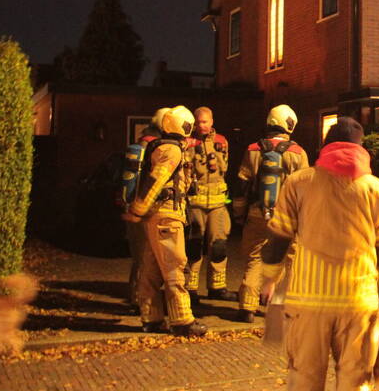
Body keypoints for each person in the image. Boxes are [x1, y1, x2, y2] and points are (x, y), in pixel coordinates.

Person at [259, 116, 379, 391]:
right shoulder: (377, 189)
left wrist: (269, 279)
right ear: (362, 148)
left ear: (324, 147)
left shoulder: (298, 182)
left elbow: (278, 239)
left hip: (306, 303)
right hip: (358, 304)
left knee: (303, 384)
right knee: (356, 387)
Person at [128, 105, 207, 337]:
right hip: (167, 218)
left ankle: (151, 318)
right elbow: (157, 180)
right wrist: (138, 209)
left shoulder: (162, 146)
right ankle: (183, 320)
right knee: (175, 267)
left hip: (156, 217)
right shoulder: (171, 150)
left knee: (151, 270)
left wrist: (140, 212)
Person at [233, 104, 307, 323]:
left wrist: (239, 213)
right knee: (289, 261)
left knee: (254, 258)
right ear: (290, 124)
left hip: (257, 213)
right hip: (287, 217)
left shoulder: (253, 149)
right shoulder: (297, 153)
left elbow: (241, 184)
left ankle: (246, 307)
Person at [183, 106, 234, 305]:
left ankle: (217, 287)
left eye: (205, 122)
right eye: (198, 122)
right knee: (194, 246)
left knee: (219, 245)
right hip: (195, 203)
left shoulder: (221, 141)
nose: (201, 125)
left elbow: (225, 169)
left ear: (211, 121)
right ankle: (190, 287)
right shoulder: (188, 143)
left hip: (218, 204)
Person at [121, 107, 170, 308]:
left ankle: (140, 298)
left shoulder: (143, 144)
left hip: (137, 208)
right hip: (144, 210)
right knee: (144, 257)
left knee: (141, 257)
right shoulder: (155, 148)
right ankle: (140, 301)